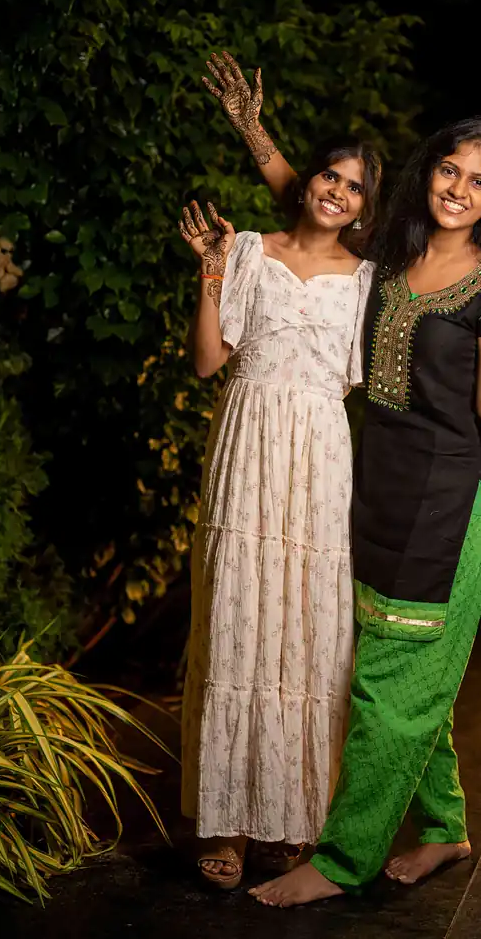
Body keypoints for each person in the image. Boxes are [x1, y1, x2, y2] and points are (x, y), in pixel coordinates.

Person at [222, 111, 481, 907]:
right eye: (449, 169)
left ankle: (341, 861)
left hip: (443, 512)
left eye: (480, 180)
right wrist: (255, 134)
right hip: (376, 496)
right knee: (405, 677)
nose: (459, 189)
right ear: (428, 172)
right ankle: (445, 828)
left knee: (386, 691)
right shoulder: (392, 260)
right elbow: (317, 202)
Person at [178, 111, 380, 888]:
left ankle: (288, 818)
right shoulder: (248, 252)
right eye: (330, 175)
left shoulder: (367, 281)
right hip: (247, 441)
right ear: (308, 180)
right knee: (237, 614)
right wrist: (211, 273)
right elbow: (207, 362)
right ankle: (225, 823)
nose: (338, 192)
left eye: (355, 187)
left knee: (306, 623)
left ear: (364, 207)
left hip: (319, 459)